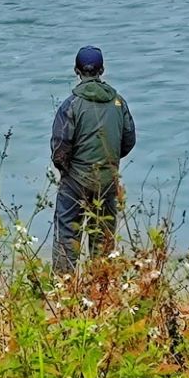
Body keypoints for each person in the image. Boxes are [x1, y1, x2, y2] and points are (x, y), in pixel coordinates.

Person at [50, 45, 136, 273]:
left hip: (75, 180)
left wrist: (68, 171)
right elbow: (128, 141)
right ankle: (101, 288)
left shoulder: (70, 105)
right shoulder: (119, 103)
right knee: (103, 235)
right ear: (102, 70)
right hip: (107, 180)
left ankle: (63, 287)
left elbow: (60, 150)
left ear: (76, 71)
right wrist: (109, 163)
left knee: (67, 232)